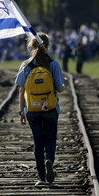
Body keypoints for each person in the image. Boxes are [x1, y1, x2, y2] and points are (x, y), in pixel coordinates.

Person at [15, 32, 68, 187]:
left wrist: (21, 112)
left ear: (32, 46)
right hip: (50, 108)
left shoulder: (25, 65)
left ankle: (41, 178)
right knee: (50, 139)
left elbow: (21, 91)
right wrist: (63, 82)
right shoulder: (54, 64)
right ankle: (49, 160)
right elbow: (60, 89)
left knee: (38, 142)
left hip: (32, 109)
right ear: (48, 46)